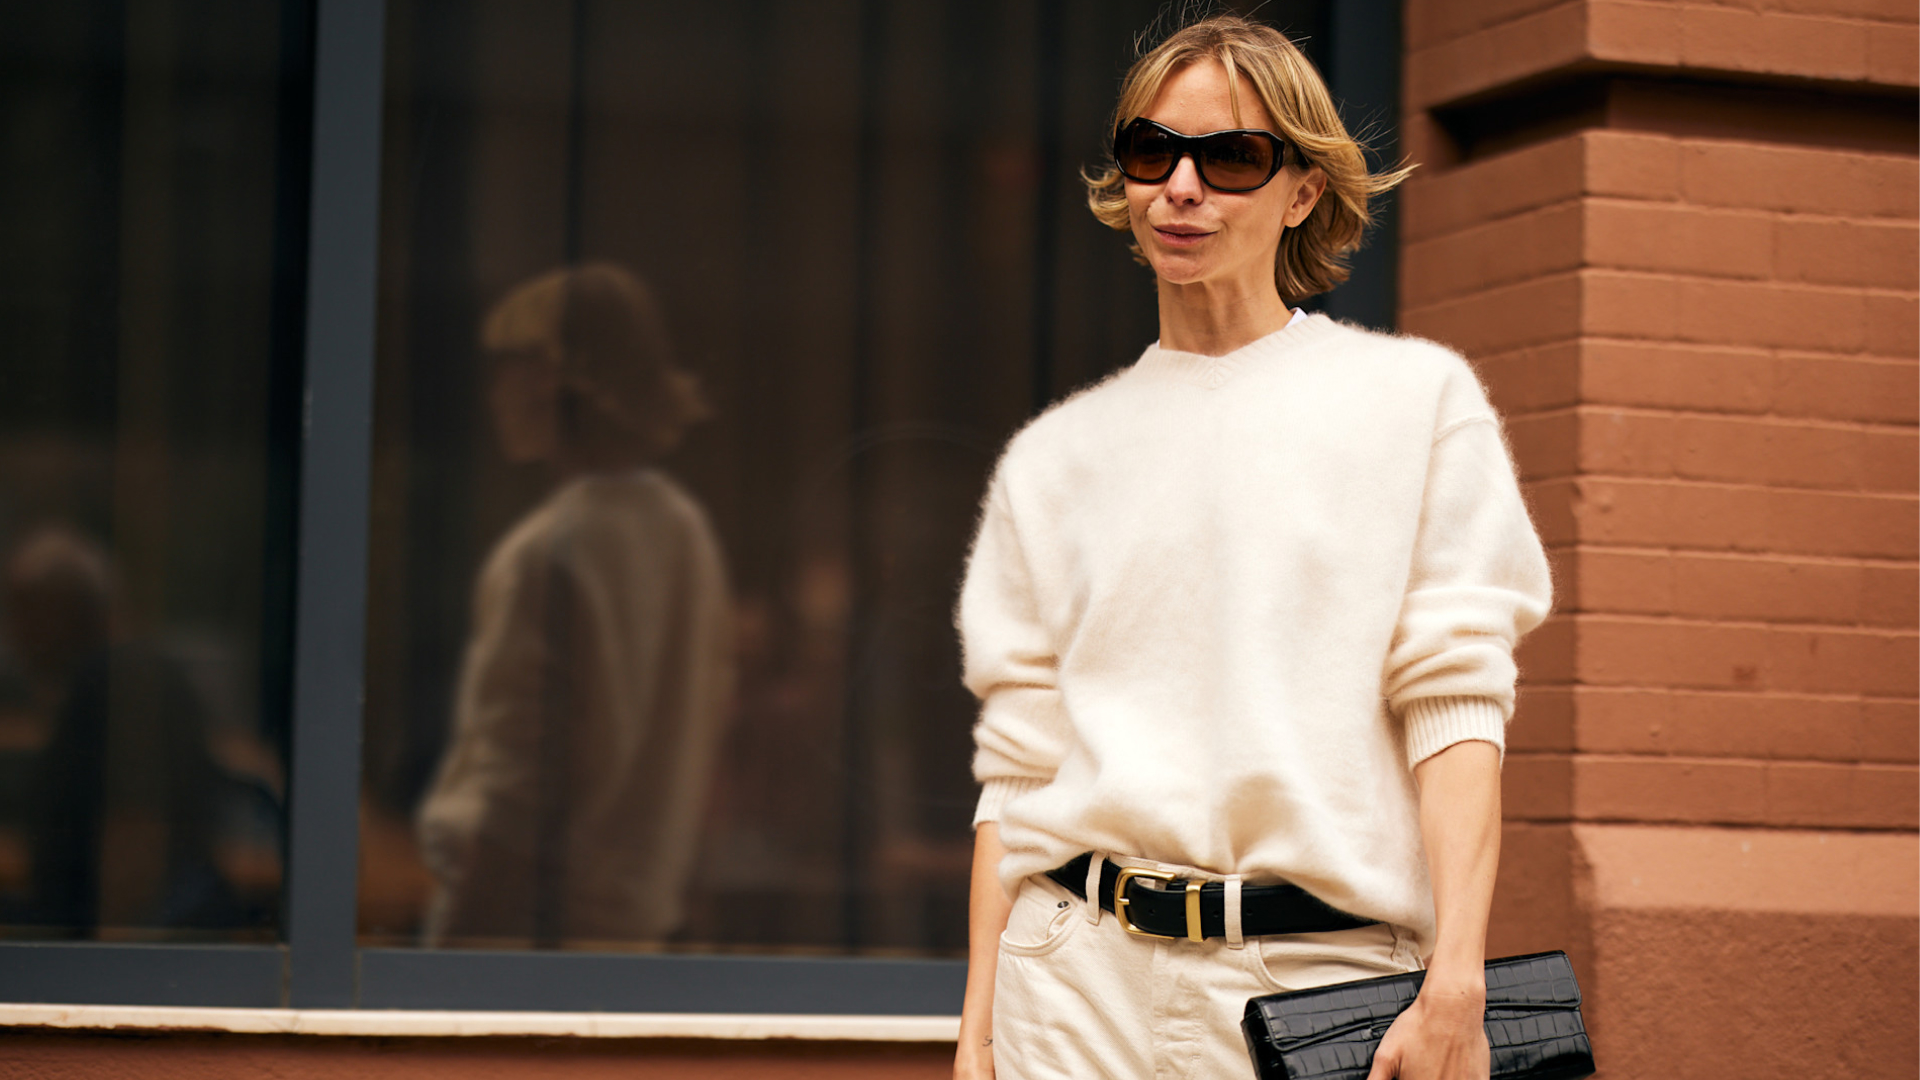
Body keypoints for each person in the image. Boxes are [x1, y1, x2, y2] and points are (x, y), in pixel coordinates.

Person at [953, 15, 1552, 1080]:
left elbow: (1456, 709)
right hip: (1070, 975)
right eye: (1154, 152)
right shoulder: (1056, 459)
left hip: (1314, 984)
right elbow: (1018, 774)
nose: (1183, 187)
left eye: (1232, 157)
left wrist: (1457, 975)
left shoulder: (1412, 406)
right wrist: (980, 1032)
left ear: (1304, 190)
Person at [415, 263, 733, 947]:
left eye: (508, 365)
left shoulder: (552, 550)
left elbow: (518, 798)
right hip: (632, 942)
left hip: (527, 948)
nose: (494, 390)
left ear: (550, 376)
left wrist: (450, 962)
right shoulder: (684, 528)